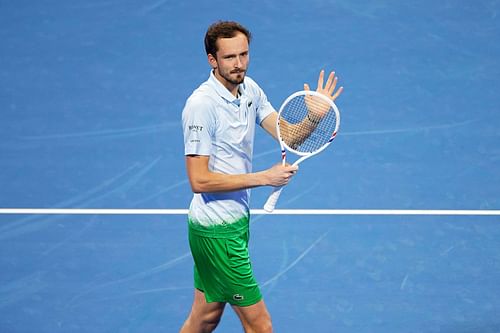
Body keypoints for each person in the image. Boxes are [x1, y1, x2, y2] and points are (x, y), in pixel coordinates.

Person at [180, 20, 343, 333]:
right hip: (217, 233)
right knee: (260, 326)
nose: (239, 64)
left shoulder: (249, 90)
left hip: (231, 224)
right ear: (212, 61)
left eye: (244, 55)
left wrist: (312, 117)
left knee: (204, 319)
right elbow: (198, 181)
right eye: (230, 57)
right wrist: (265, 177)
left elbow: (289, 136)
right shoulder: (201, 106)